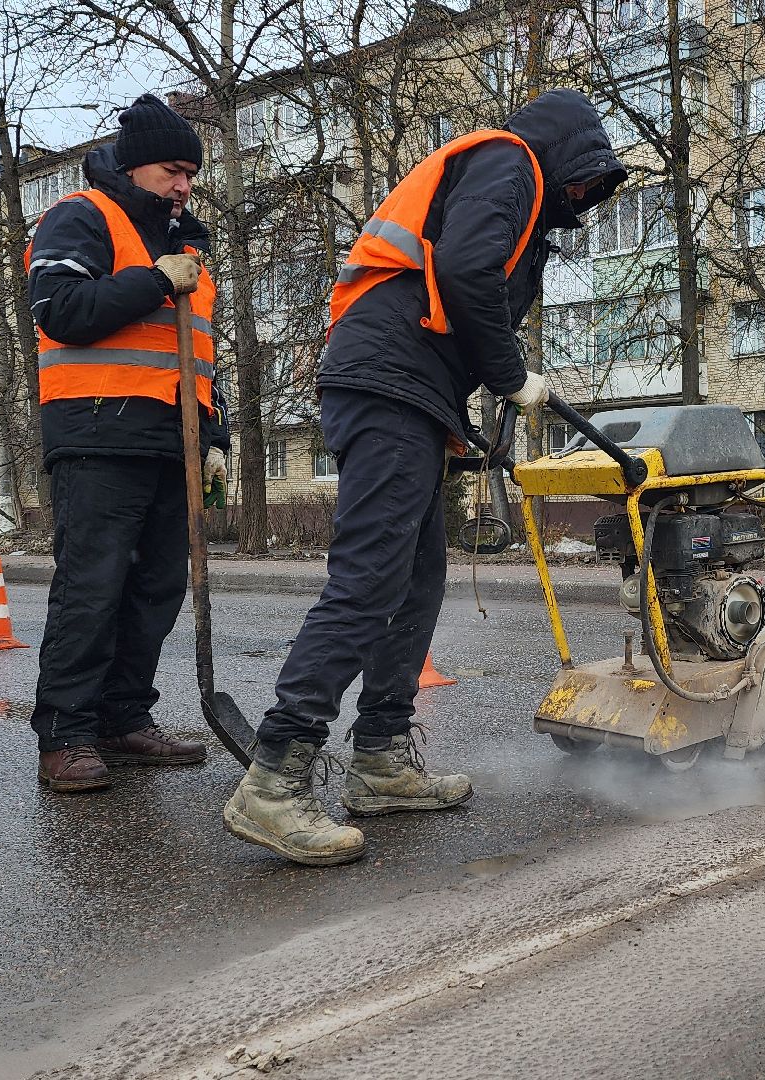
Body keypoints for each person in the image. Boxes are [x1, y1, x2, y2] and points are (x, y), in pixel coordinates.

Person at [222, 89, 627, 865]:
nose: (580, 201)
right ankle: (274, 779)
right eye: (584, 184)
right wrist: (511, 376)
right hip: (387, 380)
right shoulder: (511, 162)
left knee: (415, 580)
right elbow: (467, 267)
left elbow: (470, 291)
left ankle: (378, 757)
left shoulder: (517, 189)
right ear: (571, 153)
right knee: (370, 576)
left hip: (408, 385)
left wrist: (487, 394)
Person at [26, 94, 231, 793]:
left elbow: (197, 355)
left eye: (191, 175)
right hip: (97, 434)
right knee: (93, 586)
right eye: (173, 171)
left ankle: (121, 718)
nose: (184, 186)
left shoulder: (188, 247)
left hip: (171, 441)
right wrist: (151, 279)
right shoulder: (81, 217)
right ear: (135, 165)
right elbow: (64, 313)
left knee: (154, 588)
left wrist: (216, 435)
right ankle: (67, 733)